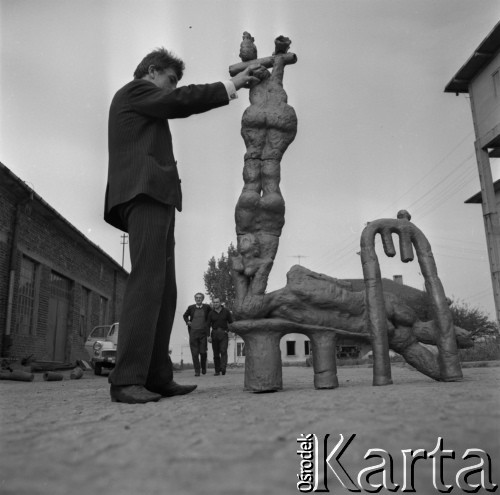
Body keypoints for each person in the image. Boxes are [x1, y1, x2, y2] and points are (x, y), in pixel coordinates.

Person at [104, 47, 260, 403]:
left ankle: (157, 376)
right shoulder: (136, 91)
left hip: (156, 195)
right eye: (170, 80)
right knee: (147, 282)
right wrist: (230, 86)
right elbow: (180, 101)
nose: (172, 88)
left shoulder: (144, 100)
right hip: (142, 192)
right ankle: (126, 379)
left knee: (165, 289)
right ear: (152, 71)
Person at [183, 293, 211, 376]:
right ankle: (197, 371)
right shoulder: (191, 308)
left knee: (203, 352)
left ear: (202, 299)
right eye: (197, 298)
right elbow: (185, 316)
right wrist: (187, 321)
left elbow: (211, 316)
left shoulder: (207, 307)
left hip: (203, 333)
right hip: (193, 333)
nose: (198, 299)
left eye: (200, 298)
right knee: (195, 353)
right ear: (195, 299)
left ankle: (203, 367)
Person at [207, 297, 233, 375]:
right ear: (213, 303)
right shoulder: (211, 313)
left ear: (220, 303)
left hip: (223, 333)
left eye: (217, 302)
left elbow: (231, 322)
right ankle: (217, 371)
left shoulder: (226, 311)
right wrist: (208, 336)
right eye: (214, 302)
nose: (215, 304)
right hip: (214, 334)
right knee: (216, 353)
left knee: (223, 351)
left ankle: (223, 368)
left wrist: (228, 331)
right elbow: (207, 325)